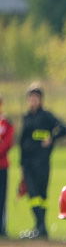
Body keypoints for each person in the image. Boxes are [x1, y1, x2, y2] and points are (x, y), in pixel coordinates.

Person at [18, 84, 66, 239]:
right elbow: (22, 142)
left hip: (42, 163)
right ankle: (39, 226)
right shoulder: (27, 117)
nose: (33, 100)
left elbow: (65, 129)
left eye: (36, 98)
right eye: (31, 98)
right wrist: (21, 164)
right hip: (28, 164)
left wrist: (52, 138)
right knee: (33, 195)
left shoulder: (46, 116)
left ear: (41, 100)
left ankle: (41, 227)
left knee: (41, 195)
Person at [0, 93, 13, 238]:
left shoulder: (6, 123)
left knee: (2, 197)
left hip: (2, 166)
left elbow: (7, 144)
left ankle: (1, 227)